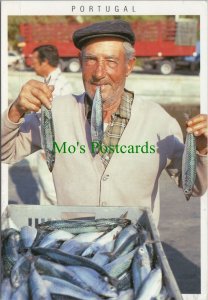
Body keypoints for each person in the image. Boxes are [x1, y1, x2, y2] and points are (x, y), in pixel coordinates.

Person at [1, 20, 207, 226]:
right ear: (80, 63)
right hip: (72, 248)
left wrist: (202, 149)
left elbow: (194, 186)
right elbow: (6, 151)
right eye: (91, 60)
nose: (99, 73)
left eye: (111, 61)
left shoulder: (160, 121)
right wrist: (16, 110)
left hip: (134, 249)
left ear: (129, 65)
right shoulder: (54, 112)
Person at [31, 45, 72, 205]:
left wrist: (49, 148)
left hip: (51, 149)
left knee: (53, 193)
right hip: (47, 146)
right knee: (46, 194)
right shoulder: (52, 81)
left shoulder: (58, 86)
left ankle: (73, 220)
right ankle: (46, 227)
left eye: (34, 60)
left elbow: (63, 121)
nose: (31, 64)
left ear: (45, 61)